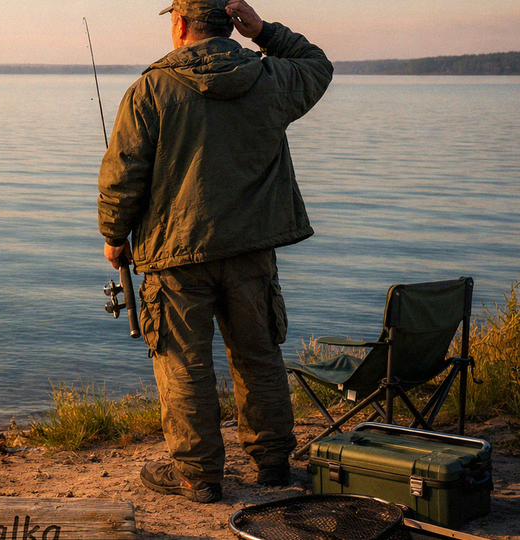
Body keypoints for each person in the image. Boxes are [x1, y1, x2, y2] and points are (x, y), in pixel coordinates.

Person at [97, 0, 332, 503]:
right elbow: (317, 65)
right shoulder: (270, 79)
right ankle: (272, 463)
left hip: (176, 255)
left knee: (183, 363)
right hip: (251, 251)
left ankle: (199, 476)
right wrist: (266, 32)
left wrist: (114, 235)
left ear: (180, 25)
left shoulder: (150, 90)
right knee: (259, 355)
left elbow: (124, 173)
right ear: (231, 25)